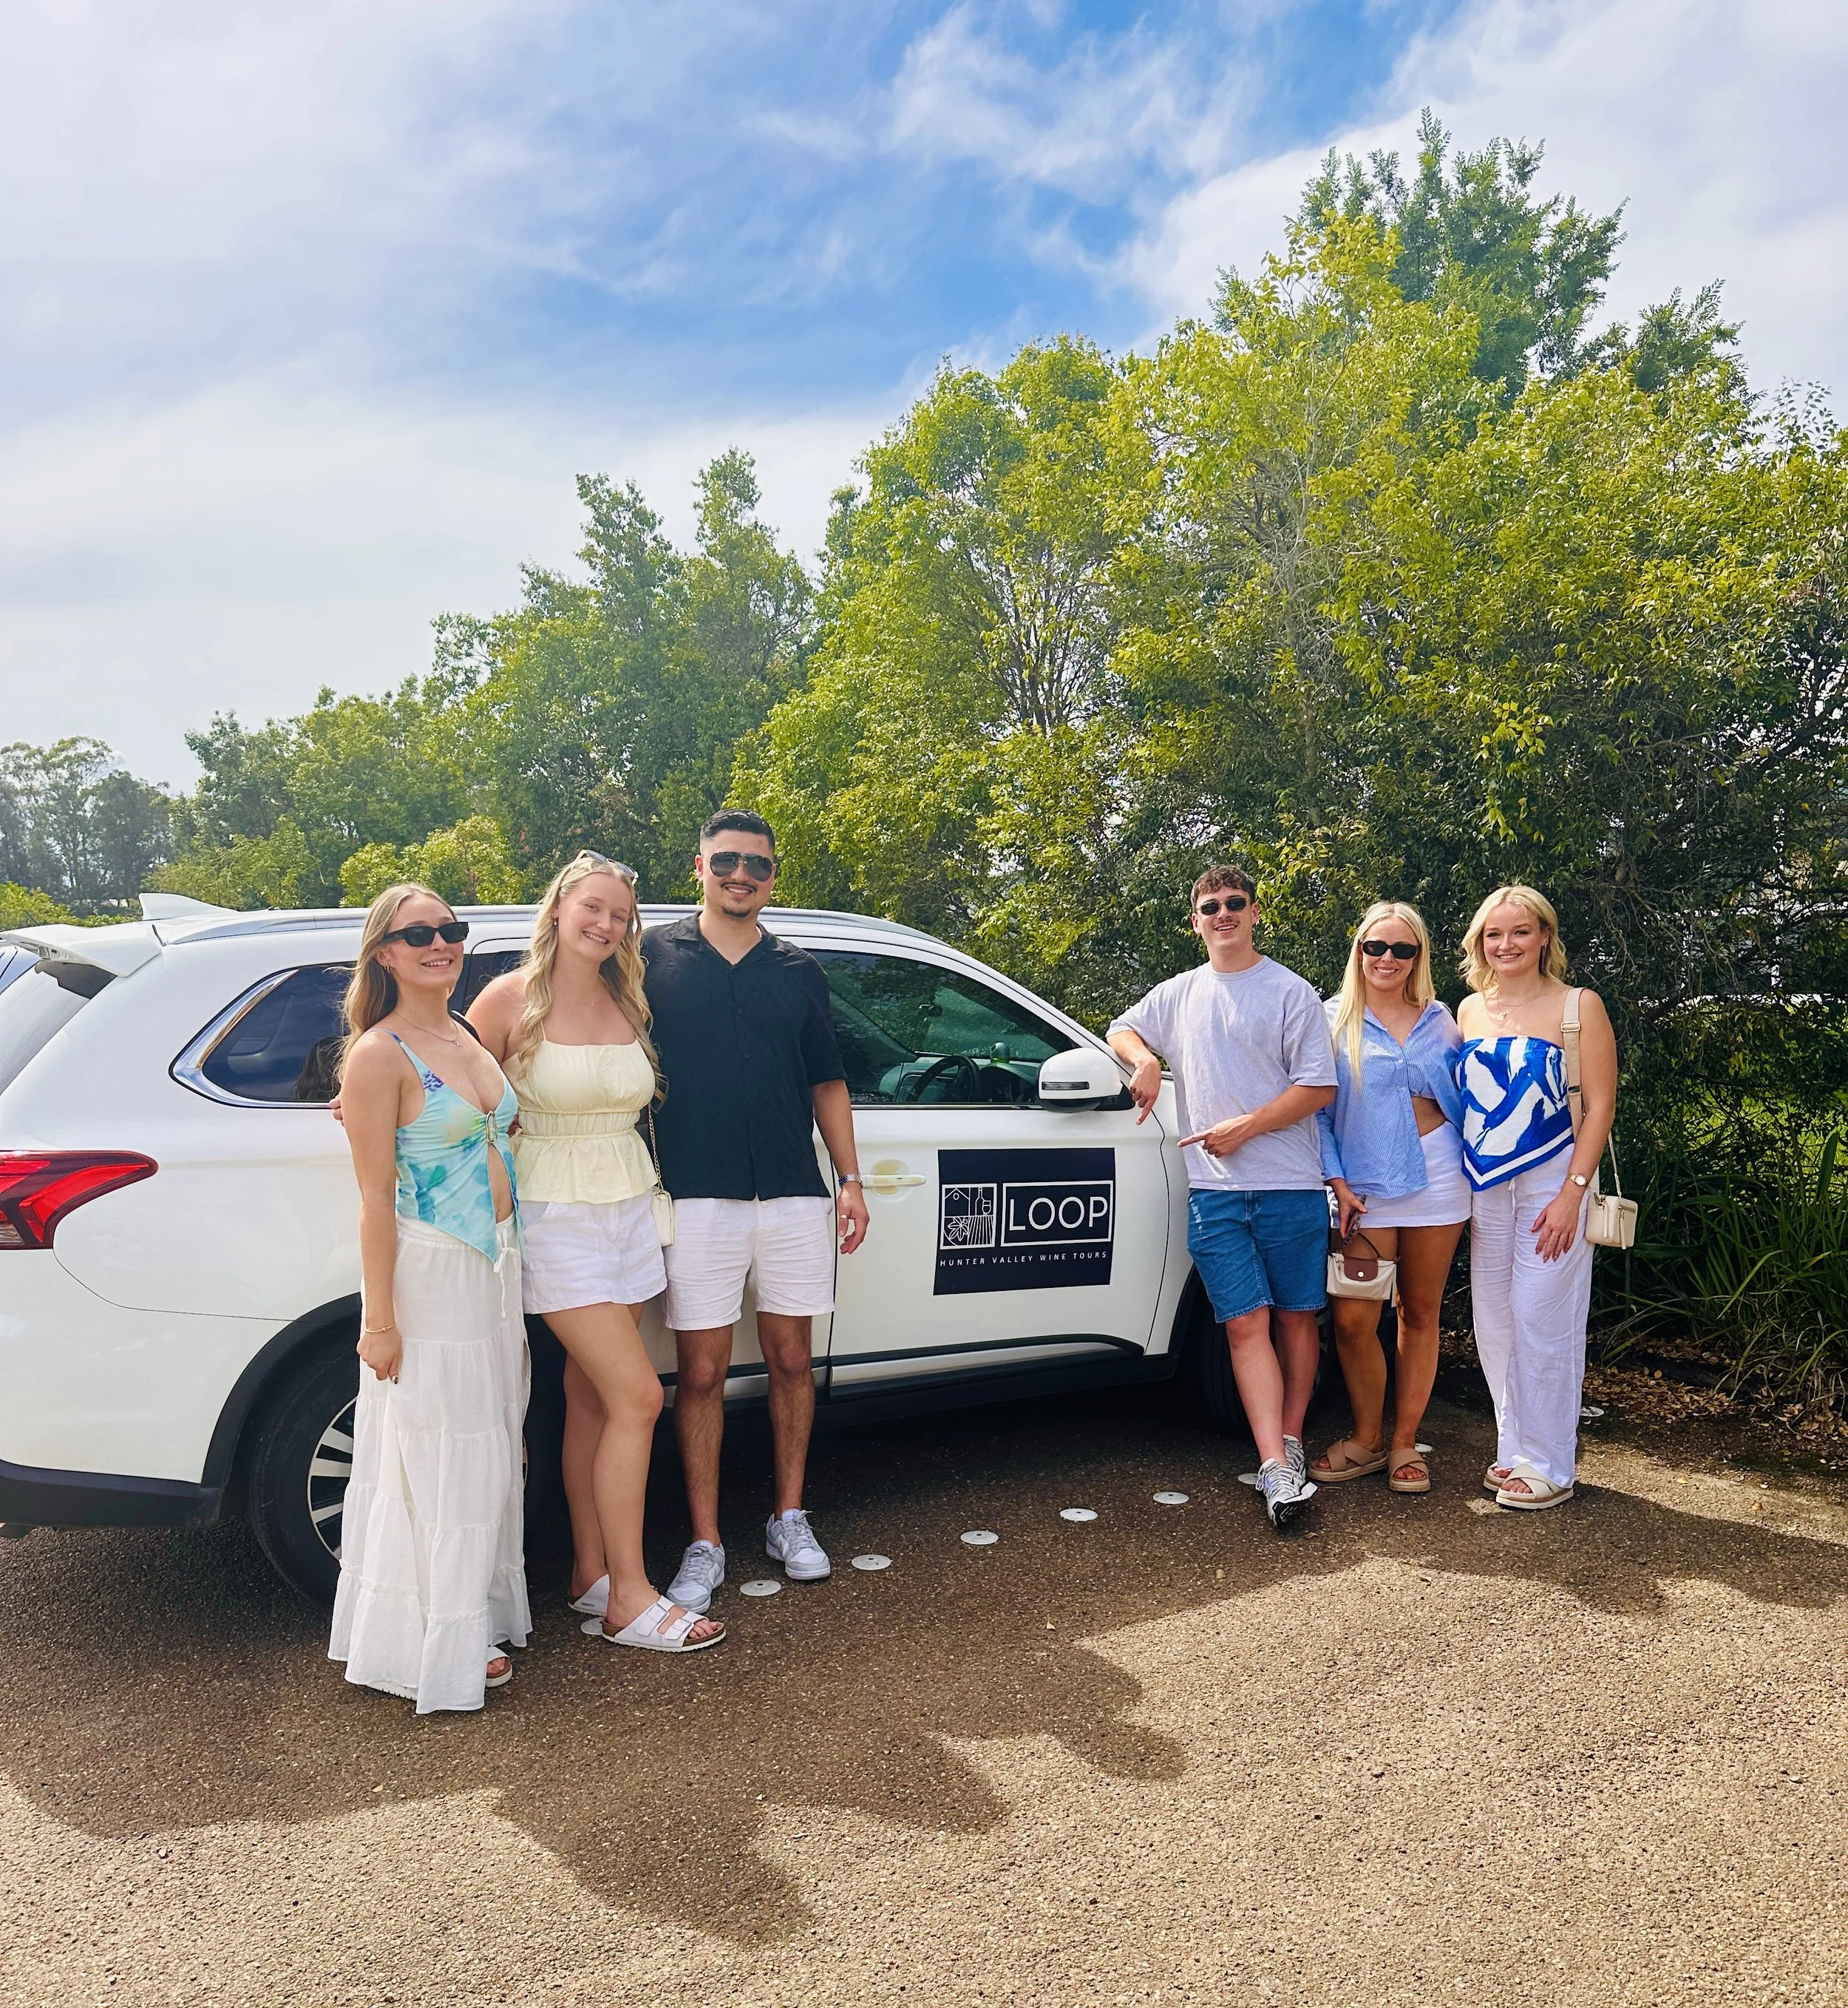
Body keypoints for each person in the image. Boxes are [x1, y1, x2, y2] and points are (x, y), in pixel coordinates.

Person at [471, 852, 724, 1654]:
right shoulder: (510, 999)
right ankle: (633, 1596)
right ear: (558, 908)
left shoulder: (627, 995)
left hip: (629, 1204)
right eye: (593, 908)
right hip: (553, 1212)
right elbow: (441, 1077)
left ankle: (590, 1575)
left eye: (620, 914)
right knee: (639, 1398)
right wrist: (362, 1086)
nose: (606, 924)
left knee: (589, 1397)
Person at [642, 810, 869, 1610]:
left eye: (759, 865)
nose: (743, 874)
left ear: (774, 877)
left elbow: (827, 1081)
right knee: (699, 1372)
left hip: (792, 1194)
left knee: (791, 1362)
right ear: (698, 866)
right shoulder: (646, 957)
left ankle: (787, 1515)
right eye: (728, 860)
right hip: (695, 1196)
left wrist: (849, 1177)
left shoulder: (798, 969)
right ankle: (704, 1542)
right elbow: (564, 1016)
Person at [327, 884, 531, 1711]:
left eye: (451, 930)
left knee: (485, 1442)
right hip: (434, 1269)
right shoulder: (378, 1054)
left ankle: (473, 1608)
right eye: (420, 934)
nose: (441, 943)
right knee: (438, 1450)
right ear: (385, 952)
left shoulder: (466, 1032)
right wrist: (380, 1320)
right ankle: (442, 1634)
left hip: (494, 1265)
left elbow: (498, 1128)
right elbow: (375, 1197)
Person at [1107, 866, 1337, 1530]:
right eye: (1212, 906)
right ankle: (1273, 1466)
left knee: (1297, 1318)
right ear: (1196, 920)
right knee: (1244, 1324)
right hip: (1215, 1193)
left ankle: (1290, 1439)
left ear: (1256, 912)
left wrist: (1248, 1125)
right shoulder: (1180, 994)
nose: (1224, 914)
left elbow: (1318, 1089)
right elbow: (1121, 1029)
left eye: (1236, 903)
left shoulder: (1291, 993)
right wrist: (1145, 1061)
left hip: (1290, 1185)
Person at [1455, 884, 1617, 1510]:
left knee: (1542, 1318)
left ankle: (1550, 1463)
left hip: (1557, 1183)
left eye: (1520, 932)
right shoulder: (1469, 1010)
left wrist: (1574, 1192)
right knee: (1493, 1323)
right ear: (1479, 942)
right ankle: (1514, 1448)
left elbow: (1600, 1105)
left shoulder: (1579, 1006)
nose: (1506, 945)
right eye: (1494, 934)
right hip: (1489, 1190)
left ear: (1544, 937)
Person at [1310, 903, 1469, 1496]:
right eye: (1377, 947)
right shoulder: (1328, 1021)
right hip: (1364, 1190)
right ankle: (1366, 1438)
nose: (1388, 960)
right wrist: (1336, 1181)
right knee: (1354, 1318)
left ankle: (1405, 1441)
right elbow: (1315, 1113)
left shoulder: (1442, 1019)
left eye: (1403, 950)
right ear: (1358, 950)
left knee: (1420, 1312)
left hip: (1440, 1179)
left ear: (1419, 957)